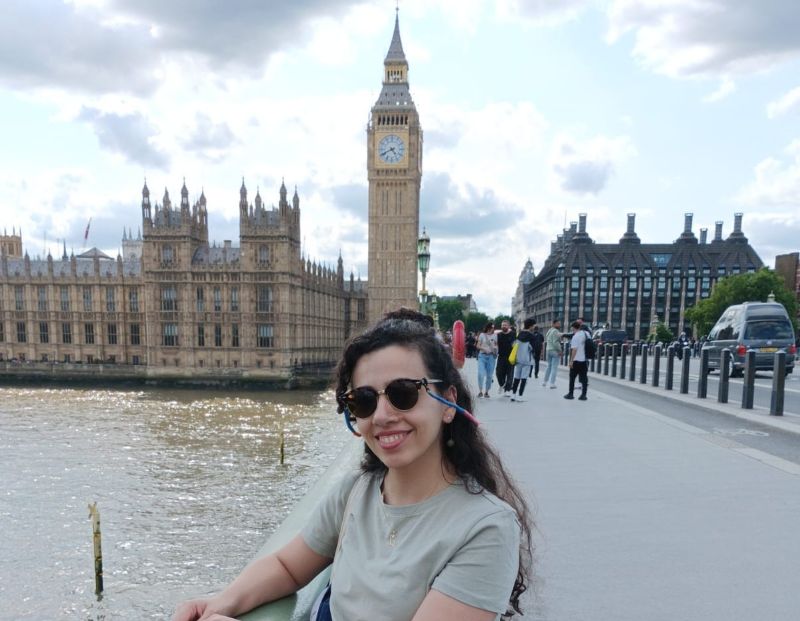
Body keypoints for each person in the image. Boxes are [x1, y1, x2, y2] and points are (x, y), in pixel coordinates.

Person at [172, 309, 533, 621]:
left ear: (448, 401)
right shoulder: (354, 492)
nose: (383, 415)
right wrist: (219, 601)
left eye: (403, 393)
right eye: (363, 401)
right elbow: (287, 566)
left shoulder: (487, 528)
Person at [509, 318, 535, 402]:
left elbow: (513, 345)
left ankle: (513, 395)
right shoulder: (531, 336)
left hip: (518, 359)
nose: (534, 327)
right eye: (533, 325)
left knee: (516, 377)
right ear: (531, 326)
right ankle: (520, 396)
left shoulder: (519, 334)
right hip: (527, 360)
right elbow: (533, 348)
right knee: (524, 378)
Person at [564, 320, 588, 401]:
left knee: (572, 377)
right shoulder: (586, 334)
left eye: (572, 329)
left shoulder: (575, 336)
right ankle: (583, 395)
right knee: (584, 378)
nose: (572, 331)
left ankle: (571, 394)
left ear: (574, 328)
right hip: (584, 360)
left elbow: (574, 349)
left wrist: (571, 361)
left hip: (576, 360)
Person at [495, 320, 517, 396]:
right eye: (502, 325)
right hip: (501, 356)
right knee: (498, 373)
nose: (503, 326)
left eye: (505, 325)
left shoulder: (513, 334)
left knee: (510, 374)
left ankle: (507, 390)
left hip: (511, 357)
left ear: (509, 326)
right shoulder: (499, 335)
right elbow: (495, 344)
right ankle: (502, 385)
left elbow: (516, 345)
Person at [476, 321, 498, 398]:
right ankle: (480, 391)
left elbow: (496, 345)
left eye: (494, 328)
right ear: (489, 328)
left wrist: (495, 348)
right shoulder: (482, 335)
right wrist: (484, 348)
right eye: (492, 328)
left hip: (491, 357)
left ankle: (486, 392)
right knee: (480, 374)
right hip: (482, 356)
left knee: (489, 375)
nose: (493, 329)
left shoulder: (495, 336)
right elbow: (477, 345)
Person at [542, 319, 561, 389]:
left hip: (548, 350)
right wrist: (560, 351)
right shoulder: (556, 331)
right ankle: (552, 383)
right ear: (554, 324)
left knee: (549, 366)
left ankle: (545, 382)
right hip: (554, 350)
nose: (559, 325)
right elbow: (555, 342)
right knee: (554, 367)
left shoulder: (549, 331)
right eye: (558, 324)